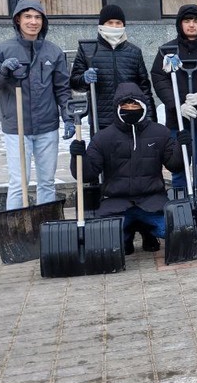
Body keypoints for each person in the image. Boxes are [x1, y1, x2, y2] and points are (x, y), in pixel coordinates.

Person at [69, 82, 190, 254]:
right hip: (116, 203)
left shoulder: (160, 133)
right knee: (103, 237)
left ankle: (148, 232)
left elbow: (175, 166)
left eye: (135, 105)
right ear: (117, 108)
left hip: (152, 202)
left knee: (174, 230)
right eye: (125, 105)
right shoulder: (103, 138)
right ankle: (126, 236)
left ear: (143, 107)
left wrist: (183, 146)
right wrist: (78, 156)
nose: (131, 109)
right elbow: (87, 175)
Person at [0, 0, 73, 210]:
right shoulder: (1, 50)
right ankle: (16, 226)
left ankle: (46, 223)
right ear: (18, 20)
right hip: (17, 128)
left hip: (47, 126)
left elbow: (62, 88)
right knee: (19, 182)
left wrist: (68, 117)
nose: (33, 21)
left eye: (38, 17)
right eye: (28, 16)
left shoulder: (53, 52)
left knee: (47, 182)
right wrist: (3, 71)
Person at [150, 3, 197, 189]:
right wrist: (177, 105)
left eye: (196, 21)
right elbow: (159, 78)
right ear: (179, 24)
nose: (191, 25)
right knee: (179, 167)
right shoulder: (167, 51)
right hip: (178, 122)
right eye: (187, 21)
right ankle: (181, 199)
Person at [70, 4, 156, 128]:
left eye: (118, 23)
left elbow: (145, 89)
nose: (114, 27)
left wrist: (151, 120)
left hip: (130, 117)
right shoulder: (88, 50)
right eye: (110, 23)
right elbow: (75, 83)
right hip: (101, 121)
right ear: (101, 25)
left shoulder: (134, 52)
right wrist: (84, 79)